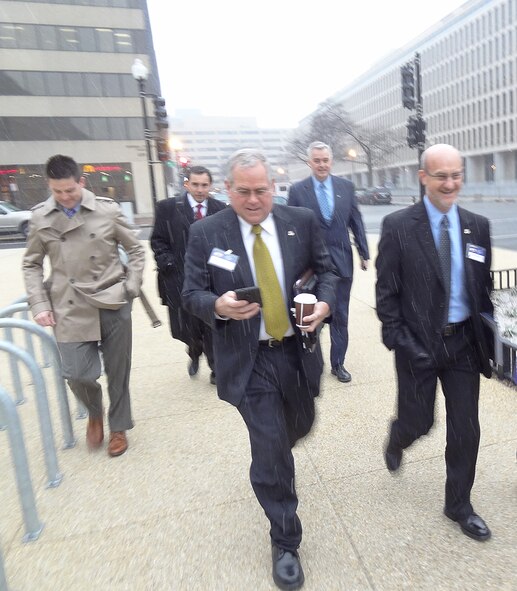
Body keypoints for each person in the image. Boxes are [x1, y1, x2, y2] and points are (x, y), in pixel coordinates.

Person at [182, 149, 338, 590]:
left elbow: (327, 271)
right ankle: (285, 539)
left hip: (296, 351)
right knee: (270, 447)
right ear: (227, 190)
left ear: (274, 186)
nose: (253, 200)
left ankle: (278, 456)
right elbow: (189, 292)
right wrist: (218, 305)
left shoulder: (301, 221)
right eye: (243, 191)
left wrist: (324, 303)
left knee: (298, 426)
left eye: (261, 190)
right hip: (248, 359)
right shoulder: (205, 232)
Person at [376, 144, 493, 541]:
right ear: (423, 176)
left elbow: (483, 290)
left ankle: (458, 504)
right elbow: (386, 293)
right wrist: (398, 338)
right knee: (419, 421)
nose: (450, 183)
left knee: (466, 429)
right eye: (441, 175)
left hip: (462, 345)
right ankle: (399, 435)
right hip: (417, 346)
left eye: (456, 174)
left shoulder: (477, 226)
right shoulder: (398, 226)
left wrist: (496, 335)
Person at [22, 154, 145, 457]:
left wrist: (131, 287)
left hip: (111, 299)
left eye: (70, 190)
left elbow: (135, 250)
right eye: (57, 192)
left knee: (118, 371)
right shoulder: (41, 217)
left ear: (81, 182)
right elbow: (31, 264)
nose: (64, 197)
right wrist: (39, 302)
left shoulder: (107, 211)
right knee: (77, 373)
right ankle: (94, 410)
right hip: (68, 304)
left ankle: (118, 426)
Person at [288, 141, 369, 384]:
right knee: (313, 315)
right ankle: (309, 360)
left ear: (330, 161)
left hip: (342, 262)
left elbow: (356, 221)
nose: (322, 164)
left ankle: (338, 363)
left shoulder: (346, 187)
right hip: (311, 266)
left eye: (325, 160)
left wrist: (364, 252)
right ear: (309, 162)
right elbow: (290, 227)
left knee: (341, 316)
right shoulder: (298, 190)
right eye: (317, 160)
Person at [150, 166, 226, 384]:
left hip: (212, 280)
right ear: (187, 184)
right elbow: (158, 240)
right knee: (187, 326)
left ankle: (216, 368)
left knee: (213, 324)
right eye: (195, 184)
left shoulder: (220, 209)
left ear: (210, 186)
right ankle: (194, 350)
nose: (200, 190)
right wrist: (168, 261)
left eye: (204, 185)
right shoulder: (168, 208)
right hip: (179, 278)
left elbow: (227, 243)